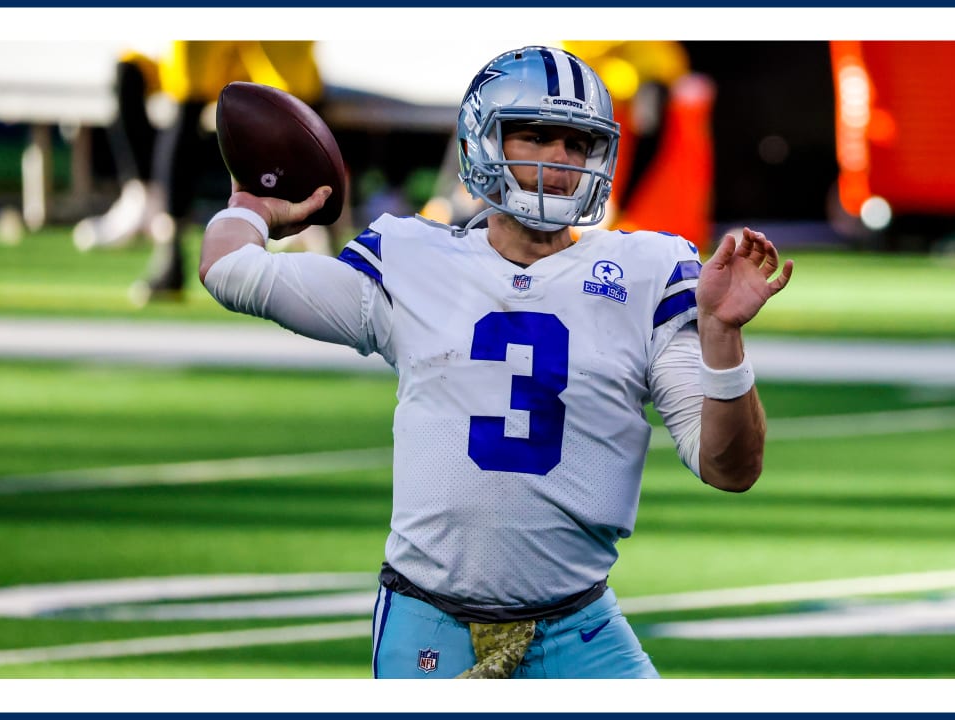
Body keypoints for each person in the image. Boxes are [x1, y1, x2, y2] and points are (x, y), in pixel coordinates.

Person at [199, 46, 793, 679]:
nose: (561, 162)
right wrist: (252, 207)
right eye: (536, 136)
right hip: (431, 623)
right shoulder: (411, 257)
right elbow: (230, 270)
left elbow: (729, 467)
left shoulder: (650, 272)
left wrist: (723, 336)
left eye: (576, 143)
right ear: (483, 141)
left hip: (580, 630)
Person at [73, 41, 331, 305]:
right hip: (221, 71)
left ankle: (313, 220)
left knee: (294, 96)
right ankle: (155, 222)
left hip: (259, 72)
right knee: (161, 86)